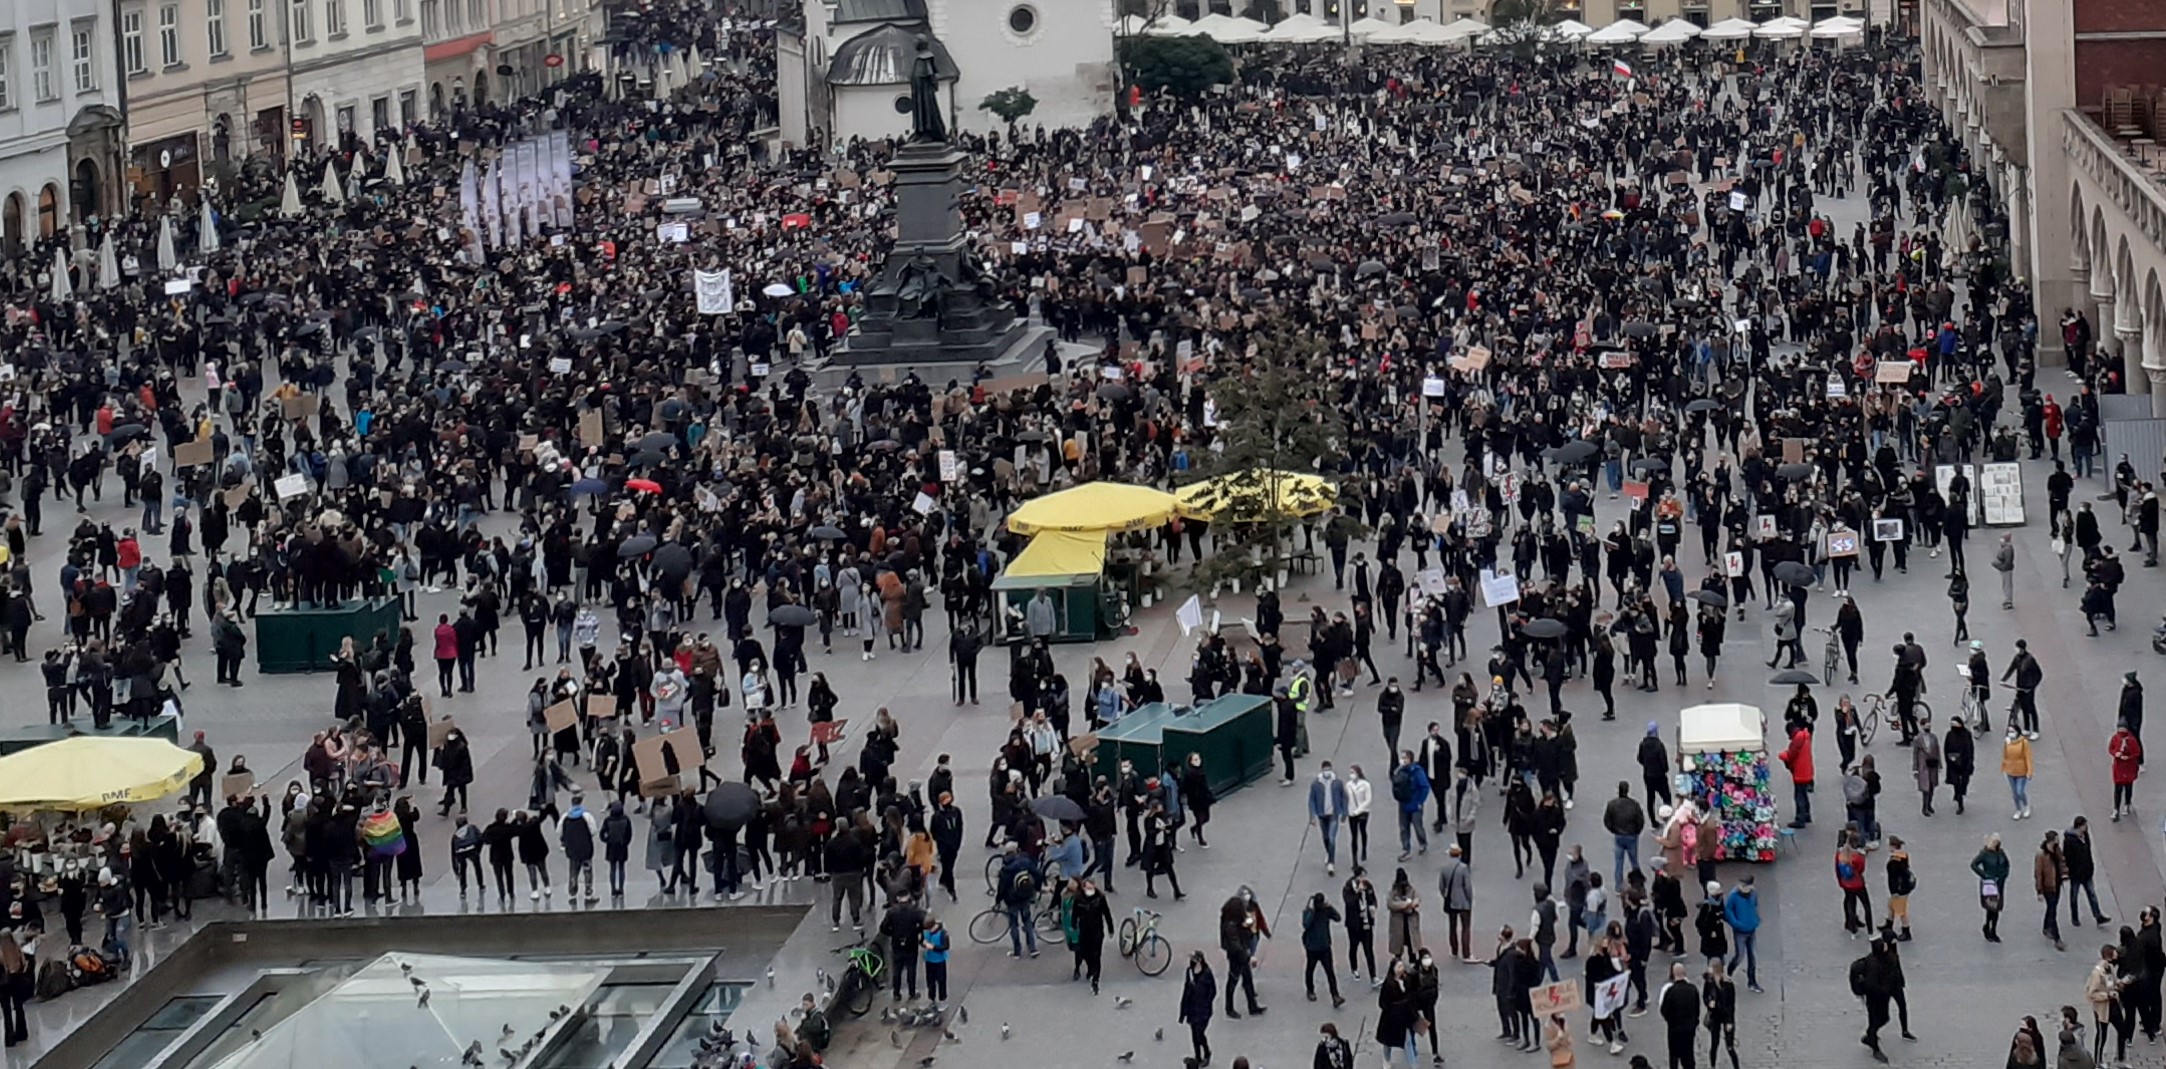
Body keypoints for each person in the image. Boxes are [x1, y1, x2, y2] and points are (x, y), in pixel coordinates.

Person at [1300, 890, 1344, 1007]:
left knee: (1330, 972)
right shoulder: (1309, 912)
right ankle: (1310, 990)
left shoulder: (1326, 911)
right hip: (1312, 948)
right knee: (1310, 969)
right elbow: (1306, 924)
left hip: (1325, 947)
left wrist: (1331, 907)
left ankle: (1335, 995)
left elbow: (1338, 918)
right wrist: (1312, 912)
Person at [1657, 959, 1701, 1069]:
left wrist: (1670, 1021)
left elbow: (1665, 1010)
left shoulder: (1671, 991)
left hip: (1675, 1029)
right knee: (1689, 1053)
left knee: (1674, 1054)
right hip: (1689, 1028)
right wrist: (1694, 1022)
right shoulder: (1693, 989)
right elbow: (1697, 1008)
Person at [1309, 761, 1349, 876]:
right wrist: (1312, 816)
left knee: (1331, 838)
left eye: (1328, 769)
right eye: (1325, 770)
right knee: (1325, 837)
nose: (1327, 772)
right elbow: (1311, 800)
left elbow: (1344, 797)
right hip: (1322, 814)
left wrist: (1344, 812)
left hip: (1333, 814)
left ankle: (1331, 862)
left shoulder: (1337, 782)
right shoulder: (1316, 784)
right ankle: (1329, 852)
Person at [1722, 876, 1762, 992]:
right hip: (1740, 931)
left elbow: (1755, 906)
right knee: (1739, 955)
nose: (1741, 887)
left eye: (1744, 885)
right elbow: (1728, 911)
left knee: (1752, 956)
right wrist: (1736, 923)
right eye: (1741, 884)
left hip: (1751, 929)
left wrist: (1756, 919)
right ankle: (1729, 972)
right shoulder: (1733, 895)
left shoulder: (1753, 894)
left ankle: (1752, 982)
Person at [1179, 952, 1217, 1067]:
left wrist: (1206, 1002)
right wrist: (1183, 1012)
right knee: (1194, 1035)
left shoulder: (1207, 973)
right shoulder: (1189, 972)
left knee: (1199, 1033)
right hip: (1192, 1010)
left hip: (1203, 1010)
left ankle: (1206, 1052)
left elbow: (1213, 991)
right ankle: (1198, 1056)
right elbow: (1186, 992)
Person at [1391, 750, 1431, 860]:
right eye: (1402, 758)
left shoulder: (1417, 771)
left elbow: (1425, 787)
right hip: (1403, 804)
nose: (1402, 760)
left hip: (1415, 805)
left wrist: (1420, 802)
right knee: (1403, 827)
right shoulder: (1399, 770)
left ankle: (1422, 843)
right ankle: (1406, 848)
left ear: (1410, 759)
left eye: (1405, 758)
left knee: (1417, 826)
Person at [1974, 833, 2012, 942]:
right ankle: (1988, 927)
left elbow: (2007, 864)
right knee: (1991, 908)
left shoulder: (2001, 853)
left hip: (2000, 883)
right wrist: (1984, 875)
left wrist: (2005, 874)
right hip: (1989, 884)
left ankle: (1993, 930)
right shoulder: (1984, 854)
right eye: (1995, 841)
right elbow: (1974, 865)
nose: (1997, 843)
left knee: (1997, 908)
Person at [1438, 844, 1474, 961]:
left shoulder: (1444, 867)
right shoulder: (1463, 868)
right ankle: (1466, 953)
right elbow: (1467, 887)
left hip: (1451, 901)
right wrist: (1470, 899)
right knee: (1465, 927)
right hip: (1463, 901)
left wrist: (1445, 896)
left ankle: (1454, 950)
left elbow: (1441, 886)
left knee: (1452, 926)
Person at [1702, 959, 1739, 1069]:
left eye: (1710, 967)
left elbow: (1731, 1005)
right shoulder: (1709, 983)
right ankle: (1712, 1065)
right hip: (1715, 1016)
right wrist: (1709, 1003)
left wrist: (1730, 1021)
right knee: (1714, 1043)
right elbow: (1705, 996)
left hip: (1726, 1016)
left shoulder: (1728, 984)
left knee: (1730, 1046)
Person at [1778, 722, 1814, 828]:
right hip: (1807, 770)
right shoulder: (1804, 736)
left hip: (1800, 772)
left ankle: (1800, 819)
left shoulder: (1798, 739)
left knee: (1799, 796)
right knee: (1804, 794)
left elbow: (1791, 754)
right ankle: (1807, 815)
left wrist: (1782, 755)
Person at [2109, 721, 2144, 821]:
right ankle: (2116, 808)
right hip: (2119, 767)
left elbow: (2136, 752)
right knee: (2118, 789)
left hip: (2129, 767)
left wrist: (2128, 757)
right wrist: (2116, 754)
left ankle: (2127, 804)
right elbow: (2111, 748)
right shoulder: (2115, 738)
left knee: (2128, 787)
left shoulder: (2132, 740)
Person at [1884, 837, 1916, 941]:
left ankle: (1906, 931)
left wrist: (1895, 891)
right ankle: (1889, 924)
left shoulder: (1895, 862)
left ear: (1893, 846)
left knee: (1901, 911)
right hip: (1904, 887)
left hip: (1899, 890)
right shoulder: (1903, 855)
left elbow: (1895, 878)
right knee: (1891, 905)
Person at [2006, 726, 2036, 820]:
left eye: (2012, 731)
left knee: (2020, 791)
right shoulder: (2007, 742)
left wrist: (2029, 771)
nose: (2010, 733)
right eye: (2009, 731)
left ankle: (2026, 806)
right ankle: (2018, 809)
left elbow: (2028, 757)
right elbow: (2006, 756)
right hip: (2010, 772)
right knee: (2015, 793)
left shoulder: (2023, 743)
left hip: (2021, 772)